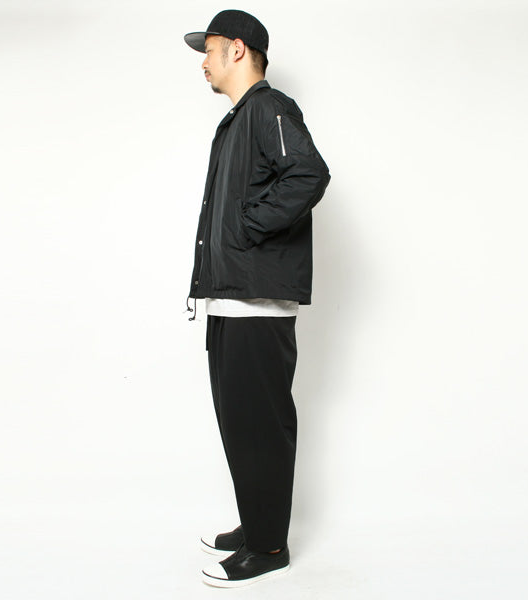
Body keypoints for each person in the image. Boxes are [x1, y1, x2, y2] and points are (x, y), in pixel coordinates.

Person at [183, 9, 331, 588]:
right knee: (239, 424)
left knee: (259, 426)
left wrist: (247, 227)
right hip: (231, 300)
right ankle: (257, 522)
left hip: (257, 303)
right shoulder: (240, 118)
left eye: (210, 48)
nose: (203, 61)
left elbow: (308, 174)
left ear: (238, 50)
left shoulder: (269, 109)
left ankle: (268, 547)